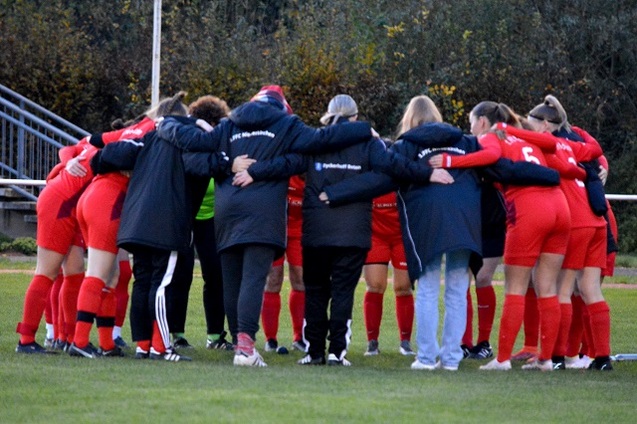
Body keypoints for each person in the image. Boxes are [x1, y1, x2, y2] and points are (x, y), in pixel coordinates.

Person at [152, 85, 378, 367]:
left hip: (227, 210)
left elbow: (193, 155)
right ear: (281, 106)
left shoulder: (228, 125)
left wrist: (169, 126)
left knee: (231, 279)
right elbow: (320, 141)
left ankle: (238, 344)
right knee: (253, 278)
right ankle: (246, 347)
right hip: (263, 211)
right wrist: (361, 130)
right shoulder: (286, 124)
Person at [234, 94, 438, 366]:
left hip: (316, 231)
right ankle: (336, 353)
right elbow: (393, 170)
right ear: (355, 117)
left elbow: (287, 164)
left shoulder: (315, 141)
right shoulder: (369, 142)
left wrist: (255, 171)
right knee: (343, 291)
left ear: (329, 116)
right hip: (353, 233)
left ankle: (314, 352)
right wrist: (427, 173)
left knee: (316, 290)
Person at [430, 101, 570, 371]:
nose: (471, 128)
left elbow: (490, 157)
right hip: (559, 207)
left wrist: (452, 161)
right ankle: (546, 359)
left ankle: (502, 359)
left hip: (530, 208)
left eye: (472, 122)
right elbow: (552, 148)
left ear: (482, 121)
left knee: (515, 288)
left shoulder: (492, 136)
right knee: (548, 288)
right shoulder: (524, 137)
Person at [68, 92, 187, 359]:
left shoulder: (135, 128)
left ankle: (106, 344)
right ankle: (79, 341)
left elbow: (92, 143)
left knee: (111, 277)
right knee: (98, 273)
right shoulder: (156, 130)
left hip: (94, 196)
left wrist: (72, 160)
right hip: (109, 201)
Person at [517, 95, 612, 370]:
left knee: (562, 290)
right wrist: (575, 127)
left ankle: (557, 356)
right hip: (597, 222)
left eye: (532, 124)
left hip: (576, 223)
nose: (529, 128)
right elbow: (595, 148)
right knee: (590, 288)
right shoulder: (573, 144)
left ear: (545, 125)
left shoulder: (547, 148)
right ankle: (602, 358)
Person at [15, 133, 96, 354]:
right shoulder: (110, 143)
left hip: (70, 205)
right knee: (46, 273)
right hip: (60, 204)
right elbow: (67, 150)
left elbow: (70, 149)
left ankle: (69, 337)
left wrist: (68, 159)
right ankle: (26, 339)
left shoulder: (106, 143)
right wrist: (68, 161)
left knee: (75, 271)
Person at [362, 191, 415, 357]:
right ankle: (372, 342)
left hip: (402, 236)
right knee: (375, 286)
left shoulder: (402, 172)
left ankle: (405, 342)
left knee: (403, 287)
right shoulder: (372, 172)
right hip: (376, 235)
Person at [261, 175, 307, 354]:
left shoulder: (314, 172)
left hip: (301, 230)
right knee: (273, 279)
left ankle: (299, 337)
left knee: (301, 279)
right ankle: (270, 339)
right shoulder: (285, 171)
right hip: (276, 229)